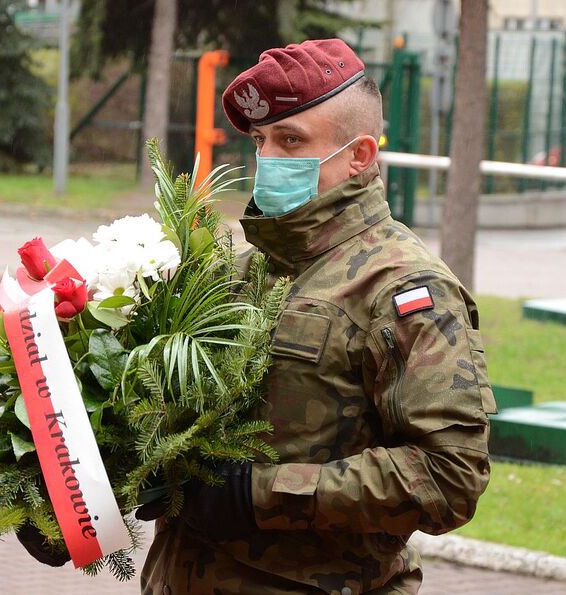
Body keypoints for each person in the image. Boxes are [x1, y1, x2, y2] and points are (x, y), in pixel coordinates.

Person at [138, 38, 497, 594]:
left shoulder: (402, 288)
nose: (268, 160)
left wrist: (258, 494)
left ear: (359, 156)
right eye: (261, 141)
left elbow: (450, 476)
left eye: (291, 140)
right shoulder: (241, 274)